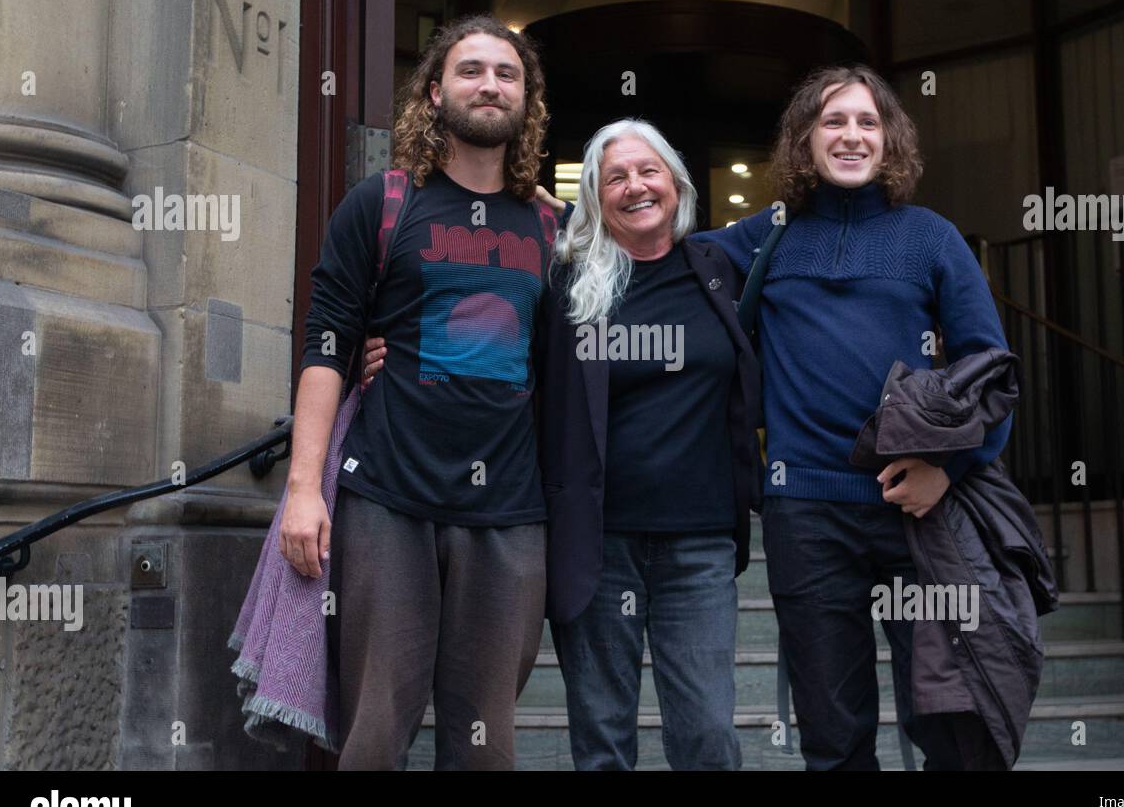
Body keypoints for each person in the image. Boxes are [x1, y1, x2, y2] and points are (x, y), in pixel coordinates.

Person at [364, 119, 761, 770]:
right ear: (594, 198)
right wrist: (372, 343)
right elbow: (479, 313)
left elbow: (793, 220)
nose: (636, 185)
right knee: (602, 740)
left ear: (677, 183)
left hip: (701, 545)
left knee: (710, 737)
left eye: (649, 170)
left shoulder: (718, 266)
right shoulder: (567, 281)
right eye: (616, 177)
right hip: (596, 544)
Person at [692, 64, 1012, 770]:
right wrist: (548, 214)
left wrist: (949, 468)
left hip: (919, 511)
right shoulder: (767, 236)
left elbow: (992, 371)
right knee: (834, 736)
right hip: (805, 512)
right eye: (832, 121)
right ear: (803, 140)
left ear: (890, 140)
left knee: (951, 725)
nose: (850, 135)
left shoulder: (930, 237)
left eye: (867, 122)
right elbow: (656, 244)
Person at [283, 13, 555, 770]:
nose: (489, 84)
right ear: (435, 93)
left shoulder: (549, 228)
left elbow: (565, 374)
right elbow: (327, 343)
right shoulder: (382, 204)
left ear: (525, 100)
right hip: (387, 500)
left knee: (486, 741)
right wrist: (306, 489)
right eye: (471, 70)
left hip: (508, 510)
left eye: (507, 73)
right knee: (373, 733)